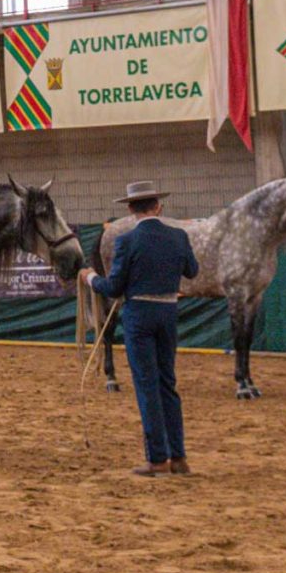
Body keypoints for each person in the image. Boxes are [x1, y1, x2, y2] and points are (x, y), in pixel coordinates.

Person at [80, 180, 199, 475]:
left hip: (139, 314)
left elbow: (113, 287)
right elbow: (192, 271)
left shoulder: (127, 241)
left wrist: (90, 278)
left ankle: (157, 458)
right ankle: (179, 456)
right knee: (167, 383)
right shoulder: (179, 236)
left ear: (131, 209)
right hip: (168, 311)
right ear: (158, 206)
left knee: (147, 385)